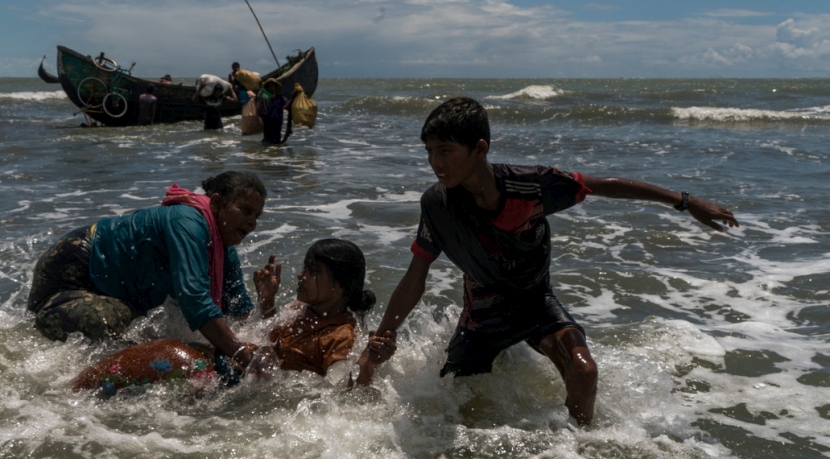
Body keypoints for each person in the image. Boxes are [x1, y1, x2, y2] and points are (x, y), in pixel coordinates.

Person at [357, 96, 740, 425]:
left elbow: (604, 186)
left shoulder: (531, 185)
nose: (435, 163)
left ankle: (582, 448)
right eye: (429, 152)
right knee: (454, 403)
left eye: (445, 151)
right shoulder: (437, 204)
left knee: (584, 370)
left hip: (536, 302)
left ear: (479, 148)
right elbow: (416, 274)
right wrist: (384, 335)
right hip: (483, 314)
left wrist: (687, 203)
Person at [71, 239, 395, 394]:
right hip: (232, 368)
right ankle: (77, 391)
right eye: (304, 269)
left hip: (240, 384)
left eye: (312, 272)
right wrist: (266, 302)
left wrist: (368, 363)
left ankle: (73, 396)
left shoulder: (342, 334)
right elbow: (264, 336)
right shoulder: (300, 309)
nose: (300, 277)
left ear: (339, 286)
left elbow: (341, 393)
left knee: (170, 354)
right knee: (162, 353)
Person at [27, 171, 270, 374]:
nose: (252, 223)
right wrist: (240, 354)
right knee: (115, 327)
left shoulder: (223, 247)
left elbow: (237, 312)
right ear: (216, 203)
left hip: (109, 286)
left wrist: (266, 303)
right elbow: (195, 300)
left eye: (257, 216)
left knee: (146, 335)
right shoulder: (188, 222)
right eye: (245, 210)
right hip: (71, 273)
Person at [257, 77, 293, 145]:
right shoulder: (265, 98)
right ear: (267, 88)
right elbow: (259, 111)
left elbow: (288, 106)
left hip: (277, 122)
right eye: (270, 87)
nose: (271, 88)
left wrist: (294, 98)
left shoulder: (280, 98)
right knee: (267, 140)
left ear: (276, 88)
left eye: (273, 86)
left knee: (276, 140)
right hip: (267, 122)